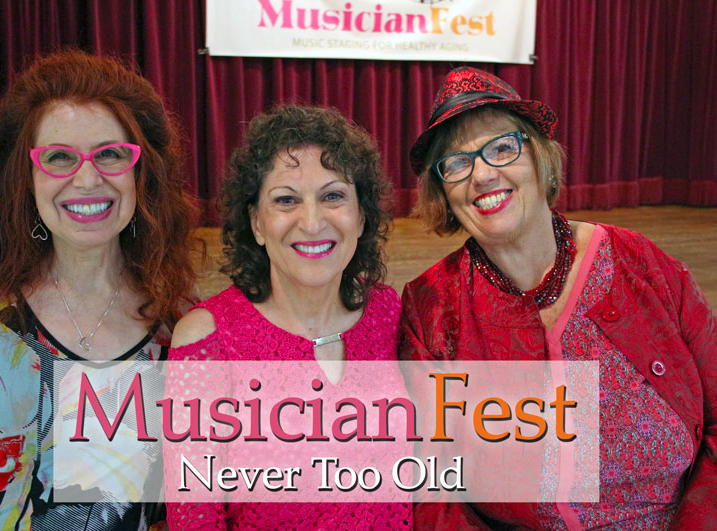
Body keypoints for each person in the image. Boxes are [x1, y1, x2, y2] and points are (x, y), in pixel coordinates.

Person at [400, 65, 717, 529]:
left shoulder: (643, 265)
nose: (483, 174)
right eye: (457, 163)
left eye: (503, 147)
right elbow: (431, 482)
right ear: (443, 193)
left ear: (539, 159)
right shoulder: (431, 304)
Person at [0, 50, 199, 530]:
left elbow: (175, 501)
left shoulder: (176, 323)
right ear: (24, 179)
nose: (87, 178)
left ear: (141, 172)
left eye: (111, 154)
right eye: (59, 157)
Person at [165, 105, 412, 529]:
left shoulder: (388, 312)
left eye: (333, 196)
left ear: (361, 217)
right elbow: (195, 517)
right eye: (286, 200)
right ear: (257, 224)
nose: (312, 222)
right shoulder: (208, 339)